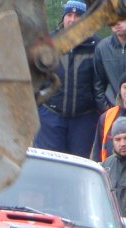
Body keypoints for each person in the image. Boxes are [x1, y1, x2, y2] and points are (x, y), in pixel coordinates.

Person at [33, 0, 100, 158]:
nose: (72, 19)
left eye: (77, 16)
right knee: (49, 162)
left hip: (84, 118)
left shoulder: (96, 45)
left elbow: (100, 81)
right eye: (69, 15)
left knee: (78, 164)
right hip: (50, 115)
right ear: (63, 17)